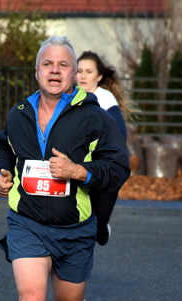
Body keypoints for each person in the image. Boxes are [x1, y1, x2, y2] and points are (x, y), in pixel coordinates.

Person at [0, 36, 130, 301]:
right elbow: (5, 147)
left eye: (63, 65)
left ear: (74, 76)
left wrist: (78, 172)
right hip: (27, 222)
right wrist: (1, 174)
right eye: (47, 64)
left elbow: (119, 169)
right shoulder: (19, 112)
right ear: (37, 72)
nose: (55, 70)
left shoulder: (93, 116)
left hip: (74, 228)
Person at [76, 51, 128, 245]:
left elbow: (120, 137)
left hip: (105, 171)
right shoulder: (68, 97)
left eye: (88, 71)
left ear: (98, 76)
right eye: (79, 71)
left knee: (96, 231)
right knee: (79, 227)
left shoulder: (105, 99)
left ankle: (102, 230)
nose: (82, 75)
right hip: (78, 168)